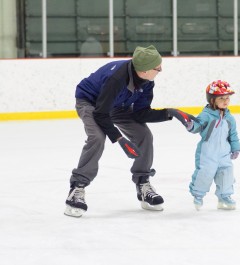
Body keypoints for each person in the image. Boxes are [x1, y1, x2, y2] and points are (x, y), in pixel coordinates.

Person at [64, 45, 196, 217]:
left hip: (118, 105)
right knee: (97, 137)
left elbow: (141, 113)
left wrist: (171, 113)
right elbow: (101, 114)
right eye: (158, 68)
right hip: (91, 103)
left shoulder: (147, 81)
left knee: (144, 135)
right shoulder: (116, 79)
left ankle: (143, 183)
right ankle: (77, 187)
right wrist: (119, 139)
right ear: (145, 70)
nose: (160, 70)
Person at [186, 80, 240, 210]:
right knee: (205, 173)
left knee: (226, 173)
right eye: (221, 98)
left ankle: (224, 197)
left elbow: (233, 134)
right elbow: (197, 126)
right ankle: (198, 195)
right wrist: (191, 126)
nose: (226, 101)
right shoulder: (206, 115)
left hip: (224, 153)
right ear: (212, 100)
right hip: (207, 152)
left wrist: (235, 148)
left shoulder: (229, 118)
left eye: (227, 98)